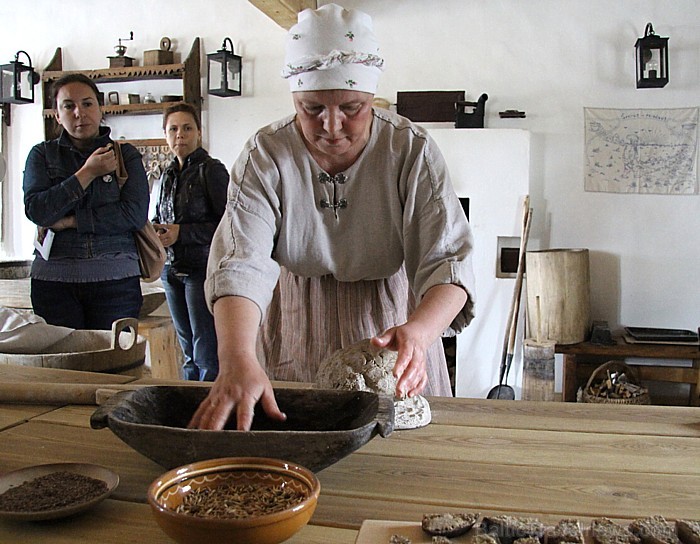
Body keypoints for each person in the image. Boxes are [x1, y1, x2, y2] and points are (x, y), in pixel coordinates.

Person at [191, 3, 476, 431]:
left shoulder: (408, 149)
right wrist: (236, 357)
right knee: (298, 444)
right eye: (311, 109)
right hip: (293, 323)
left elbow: (448, 261)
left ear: (371, 97)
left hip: (391, 324)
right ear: (294, 98)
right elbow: (240, 263)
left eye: (352, 108)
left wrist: (419, 331)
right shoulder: (266, 155)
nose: (332, 126)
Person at [23, 73, 149, 330]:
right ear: (57, 115)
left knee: (115, 364)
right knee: (63, 364)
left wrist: (70, 221)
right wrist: (87, 173)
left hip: (116, 282)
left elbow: (133, 214)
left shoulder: (125, 155)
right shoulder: (41, 155)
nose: (79, 112)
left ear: (100, 107)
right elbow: (37, 210)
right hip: (54, 284)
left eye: (87, 103)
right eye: (68, 106)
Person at [152, 103, 229, 381]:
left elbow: (227, 224)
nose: (180, 135)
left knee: (205, 350)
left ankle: (210, 412)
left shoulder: (212, 170)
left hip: (201, 269)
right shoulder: (165, 175)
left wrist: (181, 233)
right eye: (173, 129)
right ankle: (187, 405)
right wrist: (157, 232)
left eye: (187, 128)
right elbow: (159, 216)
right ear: (165, 134)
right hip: (170, 269)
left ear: (199, 132)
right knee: (186, 350)